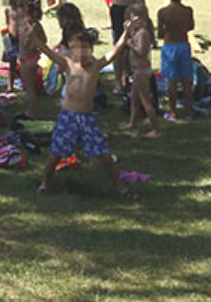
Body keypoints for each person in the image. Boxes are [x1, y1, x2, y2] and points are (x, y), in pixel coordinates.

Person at [37, 24, 138, 200]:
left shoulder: (96, 66)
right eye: (77, 48)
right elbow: (46, 50)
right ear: (69, 50)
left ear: (91, 49)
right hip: (68, 116)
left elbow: (116, 50)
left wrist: (126, 32)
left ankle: (120, 187)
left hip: (87, 118)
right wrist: (34, 37)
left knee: (104, 156)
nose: (82, 52)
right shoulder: (67, 64)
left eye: (85, 48)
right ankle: (45, 183)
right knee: (55, 154)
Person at [157, 0, 196, 121]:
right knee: (187, 80)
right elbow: (191, 27)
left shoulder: (163, 12)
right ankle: (189, 112)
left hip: (169, 47)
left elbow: (160, 34)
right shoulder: (188, 10)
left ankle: (173, 112)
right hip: (184, 45)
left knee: (171, 81)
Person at [120, 4, 161, 137]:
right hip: (136, 71)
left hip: (142, 72)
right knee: (134, 99)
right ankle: (132, 122)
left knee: (145, 101)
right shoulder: (136, 32)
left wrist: (129, 43)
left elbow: (141, 51)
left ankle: (156, 129)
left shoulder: (143, 33)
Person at [17, 0, 53, 118]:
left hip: (27, 60)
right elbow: (44, 39)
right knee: (30, 86)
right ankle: (32, 109)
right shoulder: (33, 24)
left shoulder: (29, 25)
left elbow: (40, 40)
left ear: (25, 9)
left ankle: (32, 112)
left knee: (30, 89)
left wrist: (32, 45)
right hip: (32, 58)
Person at [0, 0, 23, 91]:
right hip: (11, 39)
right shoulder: (8, 10)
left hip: (23, 40)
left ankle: (27, 81)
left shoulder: (22, 8)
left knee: (25, 62)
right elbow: (8, 23)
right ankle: (10, 86)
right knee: (11, 64)